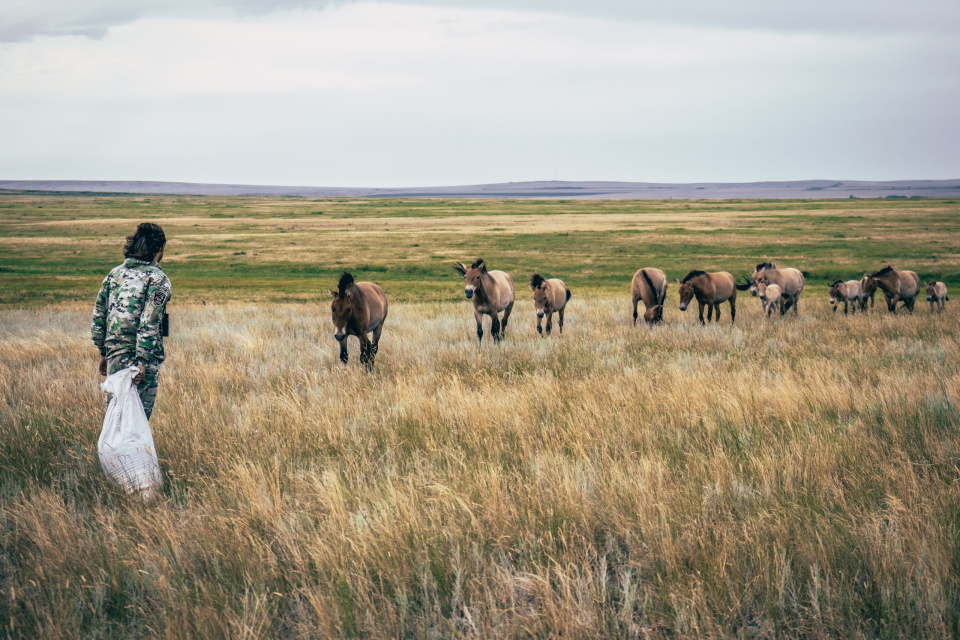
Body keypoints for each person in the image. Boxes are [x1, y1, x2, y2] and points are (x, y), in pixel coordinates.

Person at [91, 223, 171, 420]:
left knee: (116, 418)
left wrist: (103, 353)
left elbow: (99, 316)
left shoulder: (114, 274)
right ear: (160, 248)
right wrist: (142, 362)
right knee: (137, 422)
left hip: (114, 357)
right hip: (141, 361)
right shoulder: (158, 279)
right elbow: (149, 322)